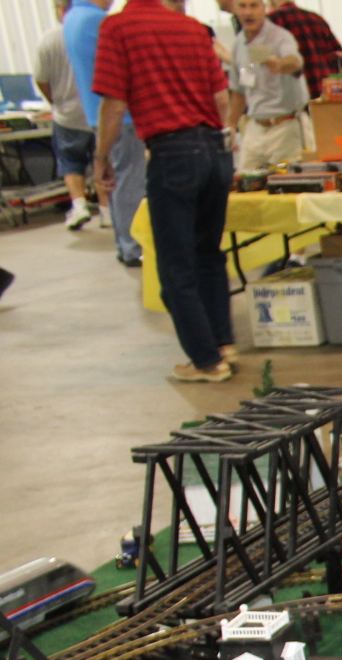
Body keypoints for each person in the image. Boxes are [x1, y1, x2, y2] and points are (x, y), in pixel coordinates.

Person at [93, 0, 235, 381]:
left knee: (175, 265)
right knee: (208, 253)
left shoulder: (118, 28)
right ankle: (223, 343)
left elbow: (114, 103)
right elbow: (221, 98)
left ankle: (206, 361)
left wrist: (101, 157)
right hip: (216, 148)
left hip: (172, 152)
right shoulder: (193, 28)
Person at [66, 0, 145, 267]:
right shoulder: (99, 21)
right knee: (129, 181)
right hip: (120, 116)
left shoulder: (73, 17)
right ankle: (134, 246)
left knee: (114, 181)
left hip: (97, 114)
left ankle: (124, 243)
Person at [34, 5, 95, 232]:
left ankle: (79, 205)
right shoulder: (97, 32)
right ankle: (108, 211)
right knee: (104, 163)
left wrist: (54, 101)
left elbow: (41, 79)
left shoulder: (49, 40)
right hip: (97, 111)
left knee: (71, 162)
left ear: (60, 9)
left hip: (67, 114)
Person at [228, 0, 307, 171]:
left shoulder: (280, 37)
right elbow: (238, 92)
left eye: (253, 5)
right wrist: (230, 126)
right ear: (235, 10)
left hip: (285, 127)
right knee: (245, 180)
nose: (248, 12)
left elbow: (295, 62)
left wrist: (280, 64)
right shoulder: (238, 44)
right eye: (242, 6)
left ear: (264, 8)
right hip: (254, 128)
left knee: (286, 182)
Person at [270, 0, 342, 99]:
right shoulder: (317, 18)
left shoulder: (272, 19)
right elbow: (341, 58)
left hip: (294, 95)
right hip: (324, 93)